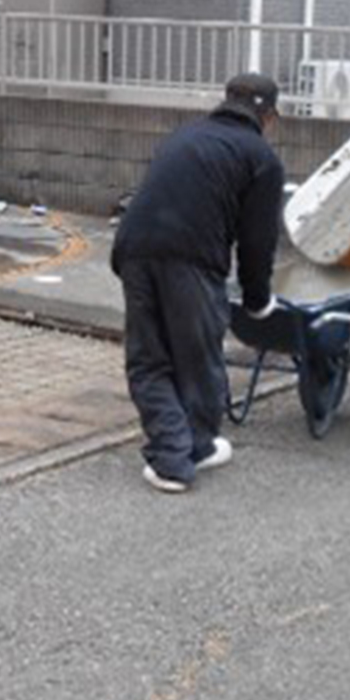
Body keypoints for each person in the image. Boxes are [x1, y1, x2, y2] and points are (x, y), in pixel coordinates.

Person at [111, 72, 286, 493]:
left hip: (134, 248)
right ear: (270, 117)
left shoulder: (186, 135)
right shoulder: (261, 158)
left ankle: (179, 447)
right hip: (191, 259)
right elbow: (257, 242)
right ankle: (186, 453)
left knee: (149, 358)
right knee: (198, 355)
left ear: (226, 101)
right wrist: (258, 300)